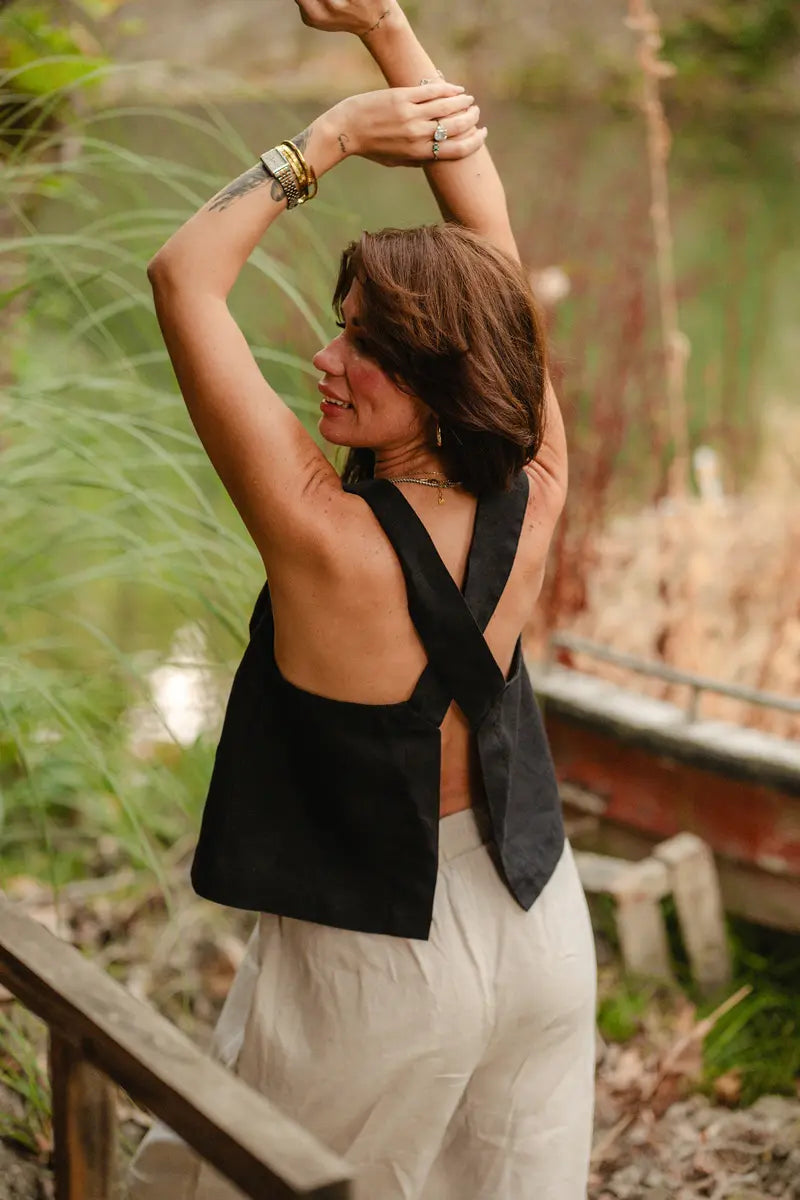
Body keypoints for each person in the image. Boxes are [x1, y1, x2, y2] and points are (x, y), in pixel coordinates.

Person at [127, 2, 597, 1198]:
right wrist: (384, 24)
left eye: (363, 348)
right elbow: (482, 230)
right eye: (339, 331)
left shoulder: (324, 536)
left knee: (234, 1181)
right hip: (538, 917)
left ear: (439, 380)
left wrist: (328, 136)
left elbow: (185, 277)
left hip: (376, 965)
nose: (325, 362)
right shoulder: (539, 469)